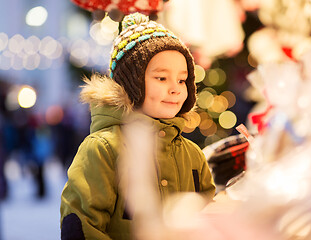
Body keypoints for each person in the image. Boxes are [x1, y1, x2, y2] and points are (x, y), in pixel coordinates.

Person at [60, 12, 216, 240]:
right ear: (132, 83)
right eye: (161, 78)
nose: (175, 89)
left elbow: (209, 219)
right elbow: (82, 226)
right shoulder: (102, 148)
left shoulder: (192, 154)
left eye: (182, 80)